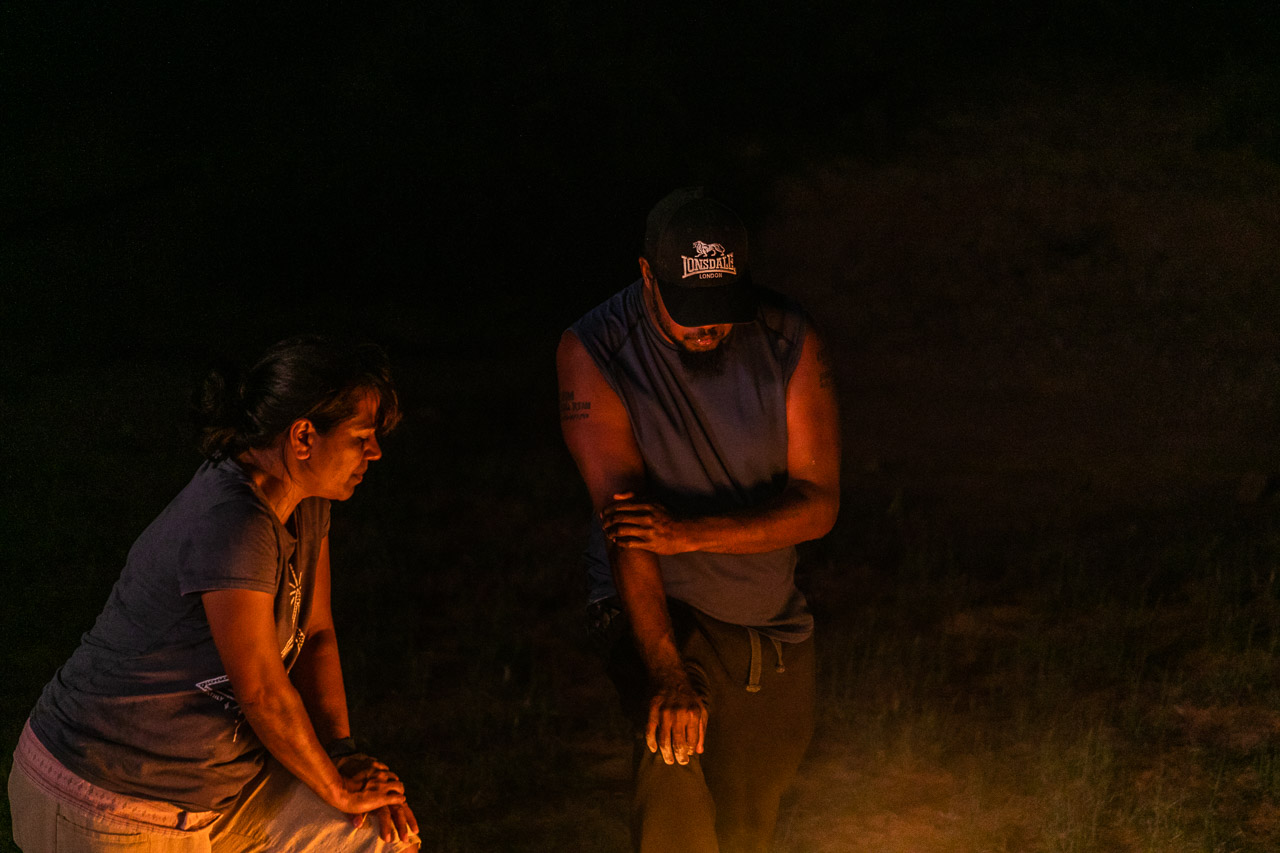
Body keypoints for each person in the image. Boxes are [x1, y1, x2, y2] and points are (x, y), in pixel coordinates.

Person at [8, 335, 421, 852]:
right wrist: (337, 788)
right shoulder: (235, 523)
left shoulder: (306, 504)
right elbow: (263, 694)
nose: (375, 452)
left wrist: (342, 755)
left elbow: (316, 635)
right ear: (303, 437)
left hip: (216, 795)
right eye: (362, 437)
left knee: (374, 837)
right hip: (109, 797)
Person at [557, 187, 841, 853]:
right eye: (690, 312)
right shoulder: (595, 348)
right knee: (675, 770)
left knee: (748, 821)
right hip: (662, 606)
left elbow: (819, 504)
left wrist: (688, 532)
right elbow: (626, 528)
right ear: (647, 274)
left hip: (768, 619)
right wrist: (666, 670)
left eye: (721, 309)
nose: (708, 328)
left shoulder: (787, 339)